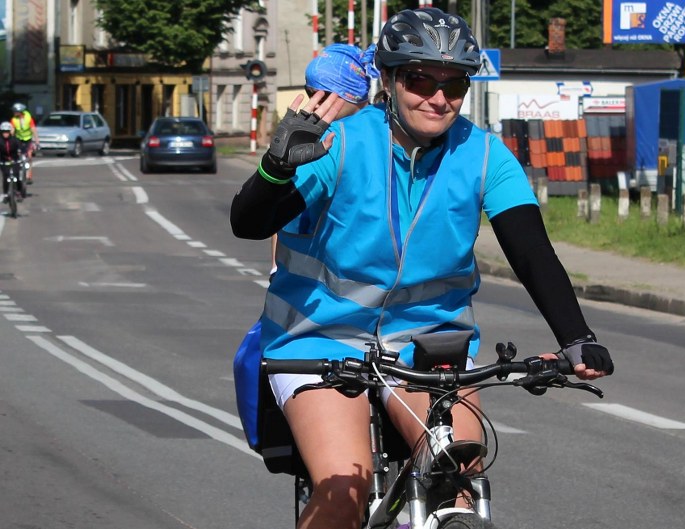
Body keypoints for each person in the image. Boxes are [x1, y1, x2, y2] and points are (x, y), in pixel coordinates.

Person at [231, 8, 614, 529]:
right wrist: (275, 170)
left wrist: (576, 337)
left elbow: (532, 251)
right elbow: (248, 223)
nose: (438, 98)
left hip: (429, 345)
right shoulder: (338, 142)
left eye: (454, 84)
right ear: (388, 80)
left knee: (461, 472)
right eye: (419, 80)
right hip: (318, 341)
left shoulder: (484, 155)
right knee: (344, 489)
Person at [268, 43, 378, 280]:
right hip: (297, 284)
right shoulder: (308, 138)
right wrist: (275, 268)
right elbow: (280, 214)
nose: (316, 104)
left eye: (325, 96)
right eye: (311, 94)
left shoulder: (381, 142)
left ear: (353, 93)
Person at [10, 102, 38, 184]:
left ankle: (29, 176)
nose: (14, 113)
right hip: (18, 139)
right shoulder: (13, 120)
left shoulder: (28, 118)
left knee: (29, 156)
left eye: (15, 111)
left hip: (28, 139)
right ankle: (17, 172)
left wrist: (37, 141)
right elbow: (12, 131)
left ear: (20, 111)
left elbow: (33, 129)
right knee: (17, 156)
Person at [0, 121, 24, 203]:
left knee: (17, 176)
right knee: (6, 177)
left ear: (10, 132)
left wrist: (20, 152)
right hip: (3, 161)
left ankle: (18, 192)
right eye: (4, 132)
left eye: (7, 132)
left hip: (15, 160)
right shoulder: (0, 141)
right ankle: (5, 194)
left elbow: (20, 148)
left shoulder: (15, 140)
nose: (5, 134)